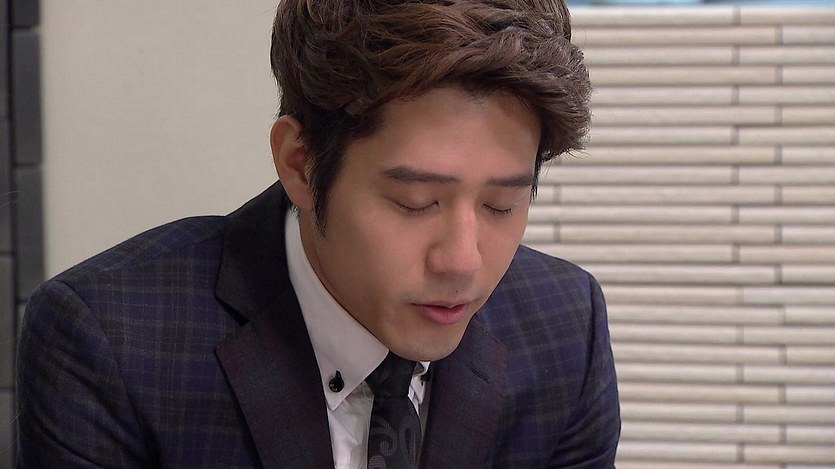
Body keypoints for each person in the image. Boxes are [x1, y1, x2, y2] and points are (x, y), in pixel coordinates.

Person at [16, 0, 620, 467]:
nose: (462, 262)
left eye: (501, 205)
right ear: (301, 165)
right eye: (414, 203)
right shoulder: (111, 344)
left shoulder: (564, 328)